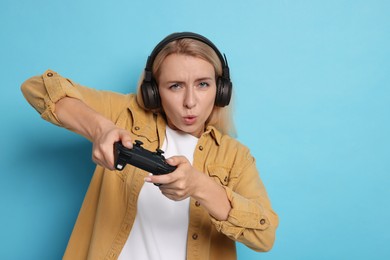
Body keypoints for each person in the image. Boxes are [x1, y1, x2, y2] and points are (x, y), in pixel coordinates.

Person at [21, 32, 278, 260]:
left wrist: (200, 186)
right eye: (175, 86)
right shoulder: (126, 114)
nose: (190, 101)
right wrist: (101, 128)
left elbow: (265, 236)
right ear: (153, 92)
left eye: (203, 84)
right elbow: (38, 87)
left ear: (221, 90)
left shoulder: (235, 157)